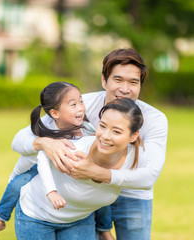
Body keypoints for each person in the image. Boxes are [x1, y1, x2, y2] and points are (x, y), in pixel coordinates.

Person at [12, 48, 168, 240]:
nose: (125, 88)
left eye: (133, 82)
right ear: (104, 80)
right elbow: (19, 139)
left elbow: (149, 176)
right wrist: (44, 143)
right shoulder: (79, 105)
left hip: (133, 195)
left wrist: (96, 173)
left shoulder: (155, 119)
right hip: (86, 194)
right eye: (118, 80)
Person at [15, 98, 144, 239]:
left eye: (117, 132)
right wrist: (51, 191)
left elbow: (147, 181)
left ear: (133, 136)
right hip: (37, 214)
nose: (105, 136)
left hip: (79, 220)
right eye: (102, 126)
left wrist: (98, 172)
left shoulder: (136, 160)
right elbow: (42, 156)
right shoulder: (79, 149)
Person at [0, 82, 95, 240]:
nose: (81, 108)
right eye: (73, 104)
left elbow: (98, 139)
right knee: (15, 185)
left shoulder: (86, 127)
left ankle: (103, 229)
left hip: (69, 179)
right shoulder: (46, 127)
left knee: (100, 190)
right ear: (55, 113)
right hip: (36, 168)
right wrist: (51, 191)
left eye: (81, 101)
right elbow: (32, 154)